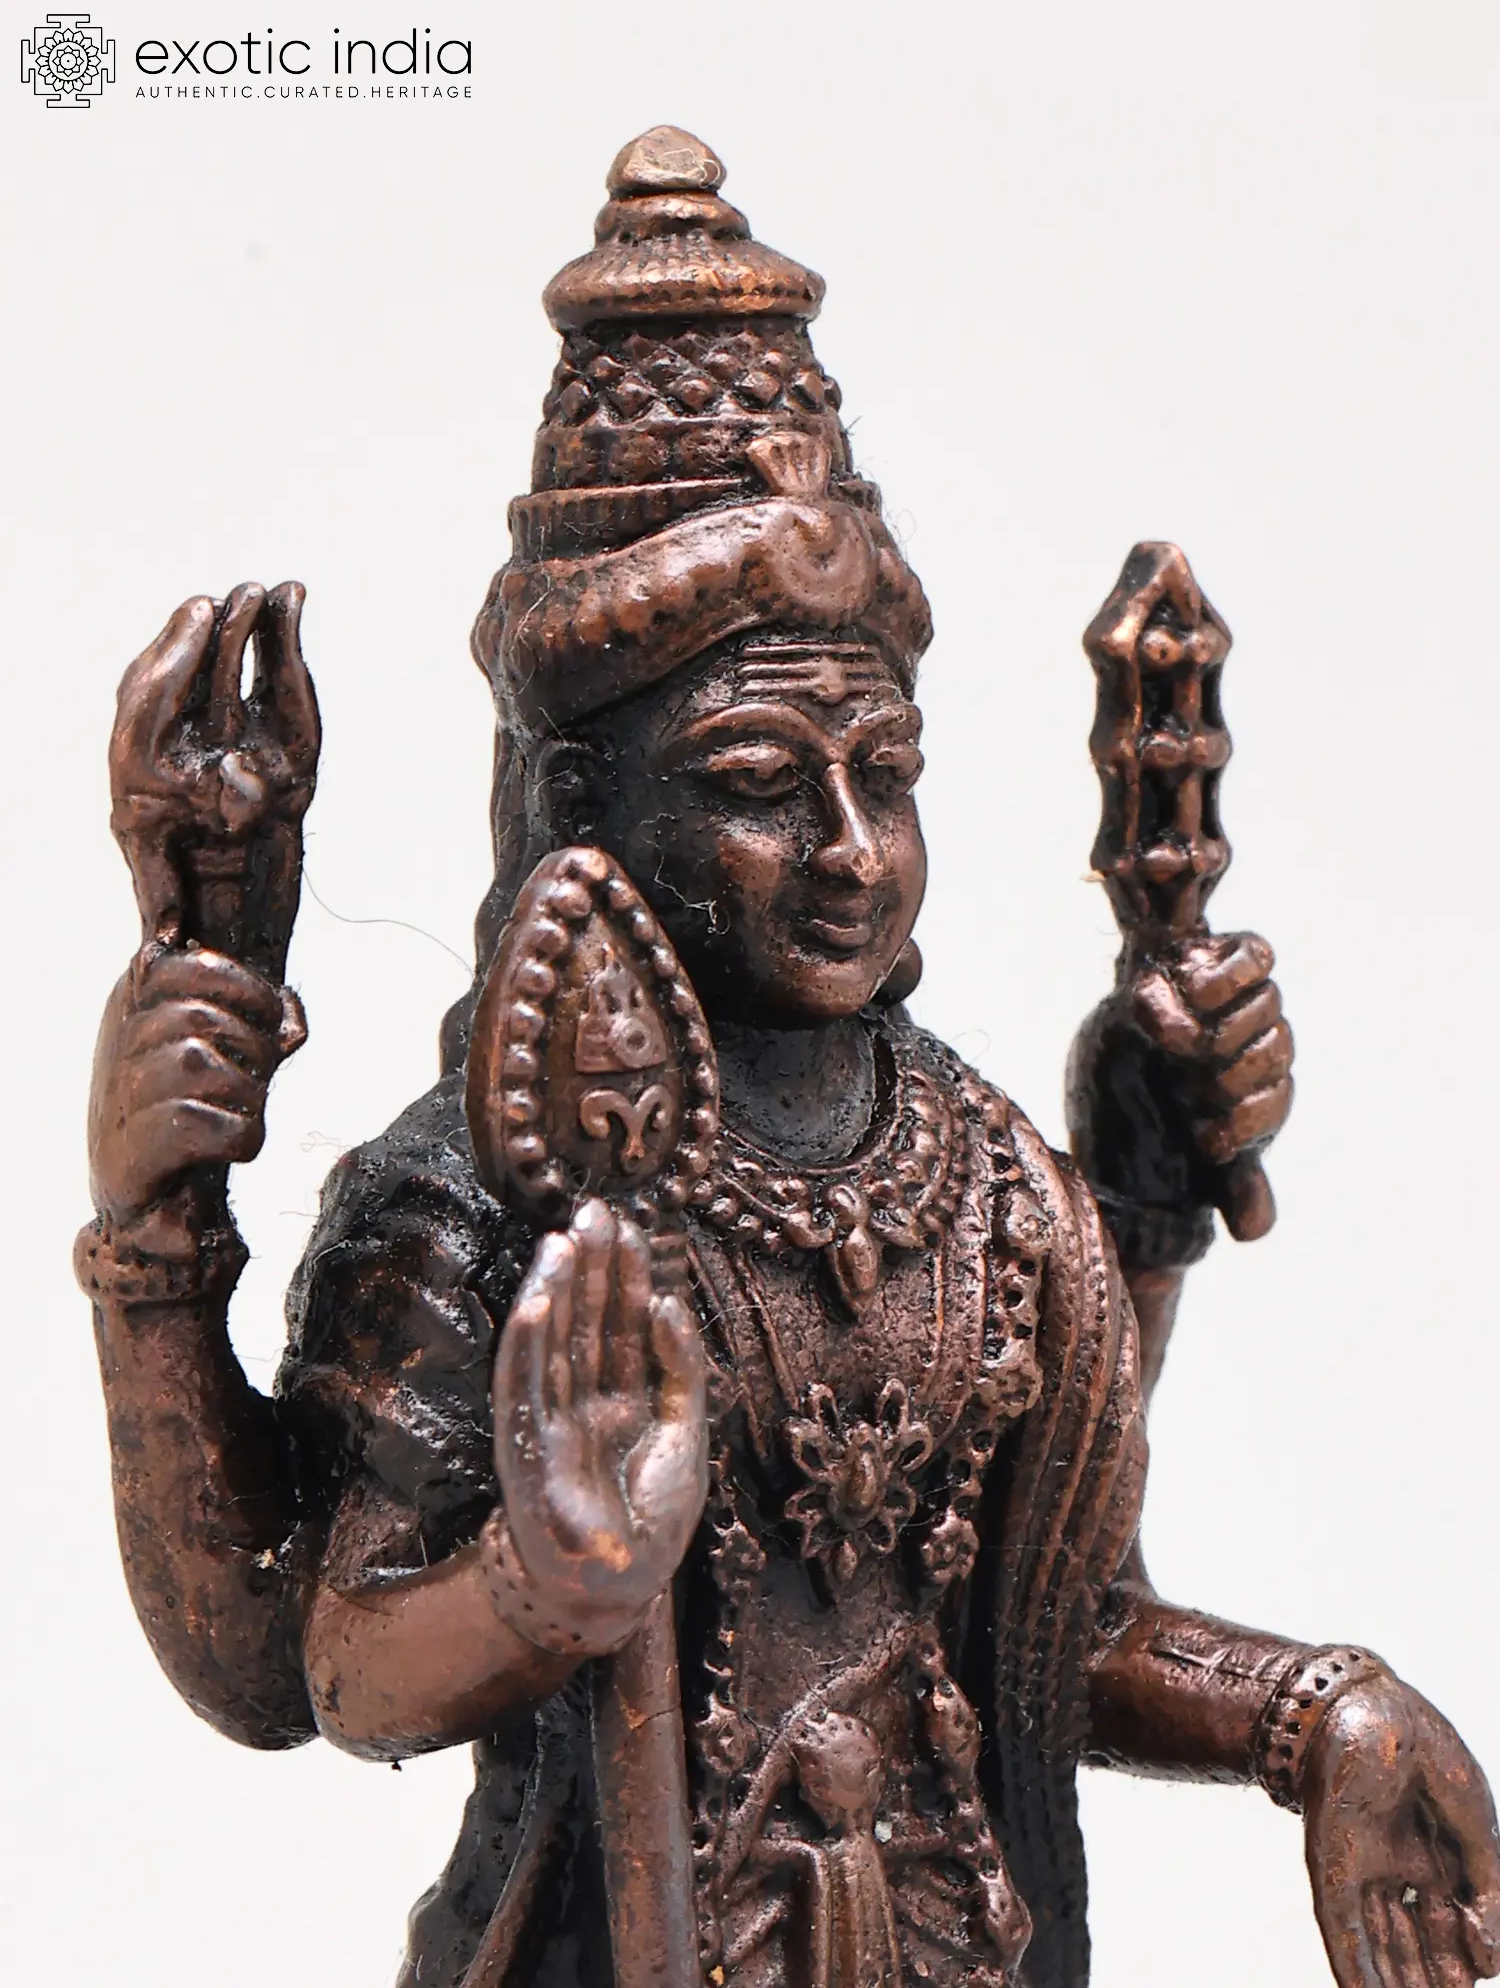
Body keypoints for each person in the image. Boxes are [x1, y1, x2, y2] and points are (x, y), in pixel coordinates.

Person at [78, 126, 1500, 1988]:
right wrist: (539, 1589)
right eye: (759, 783)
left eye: (884, 775)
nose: (849, 850)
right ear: (585, 800)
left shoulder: (983, 1180)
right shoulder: (485, 1195)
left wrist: (1317, 1713)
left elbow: (1046, 1625)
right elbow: (324, 1663)